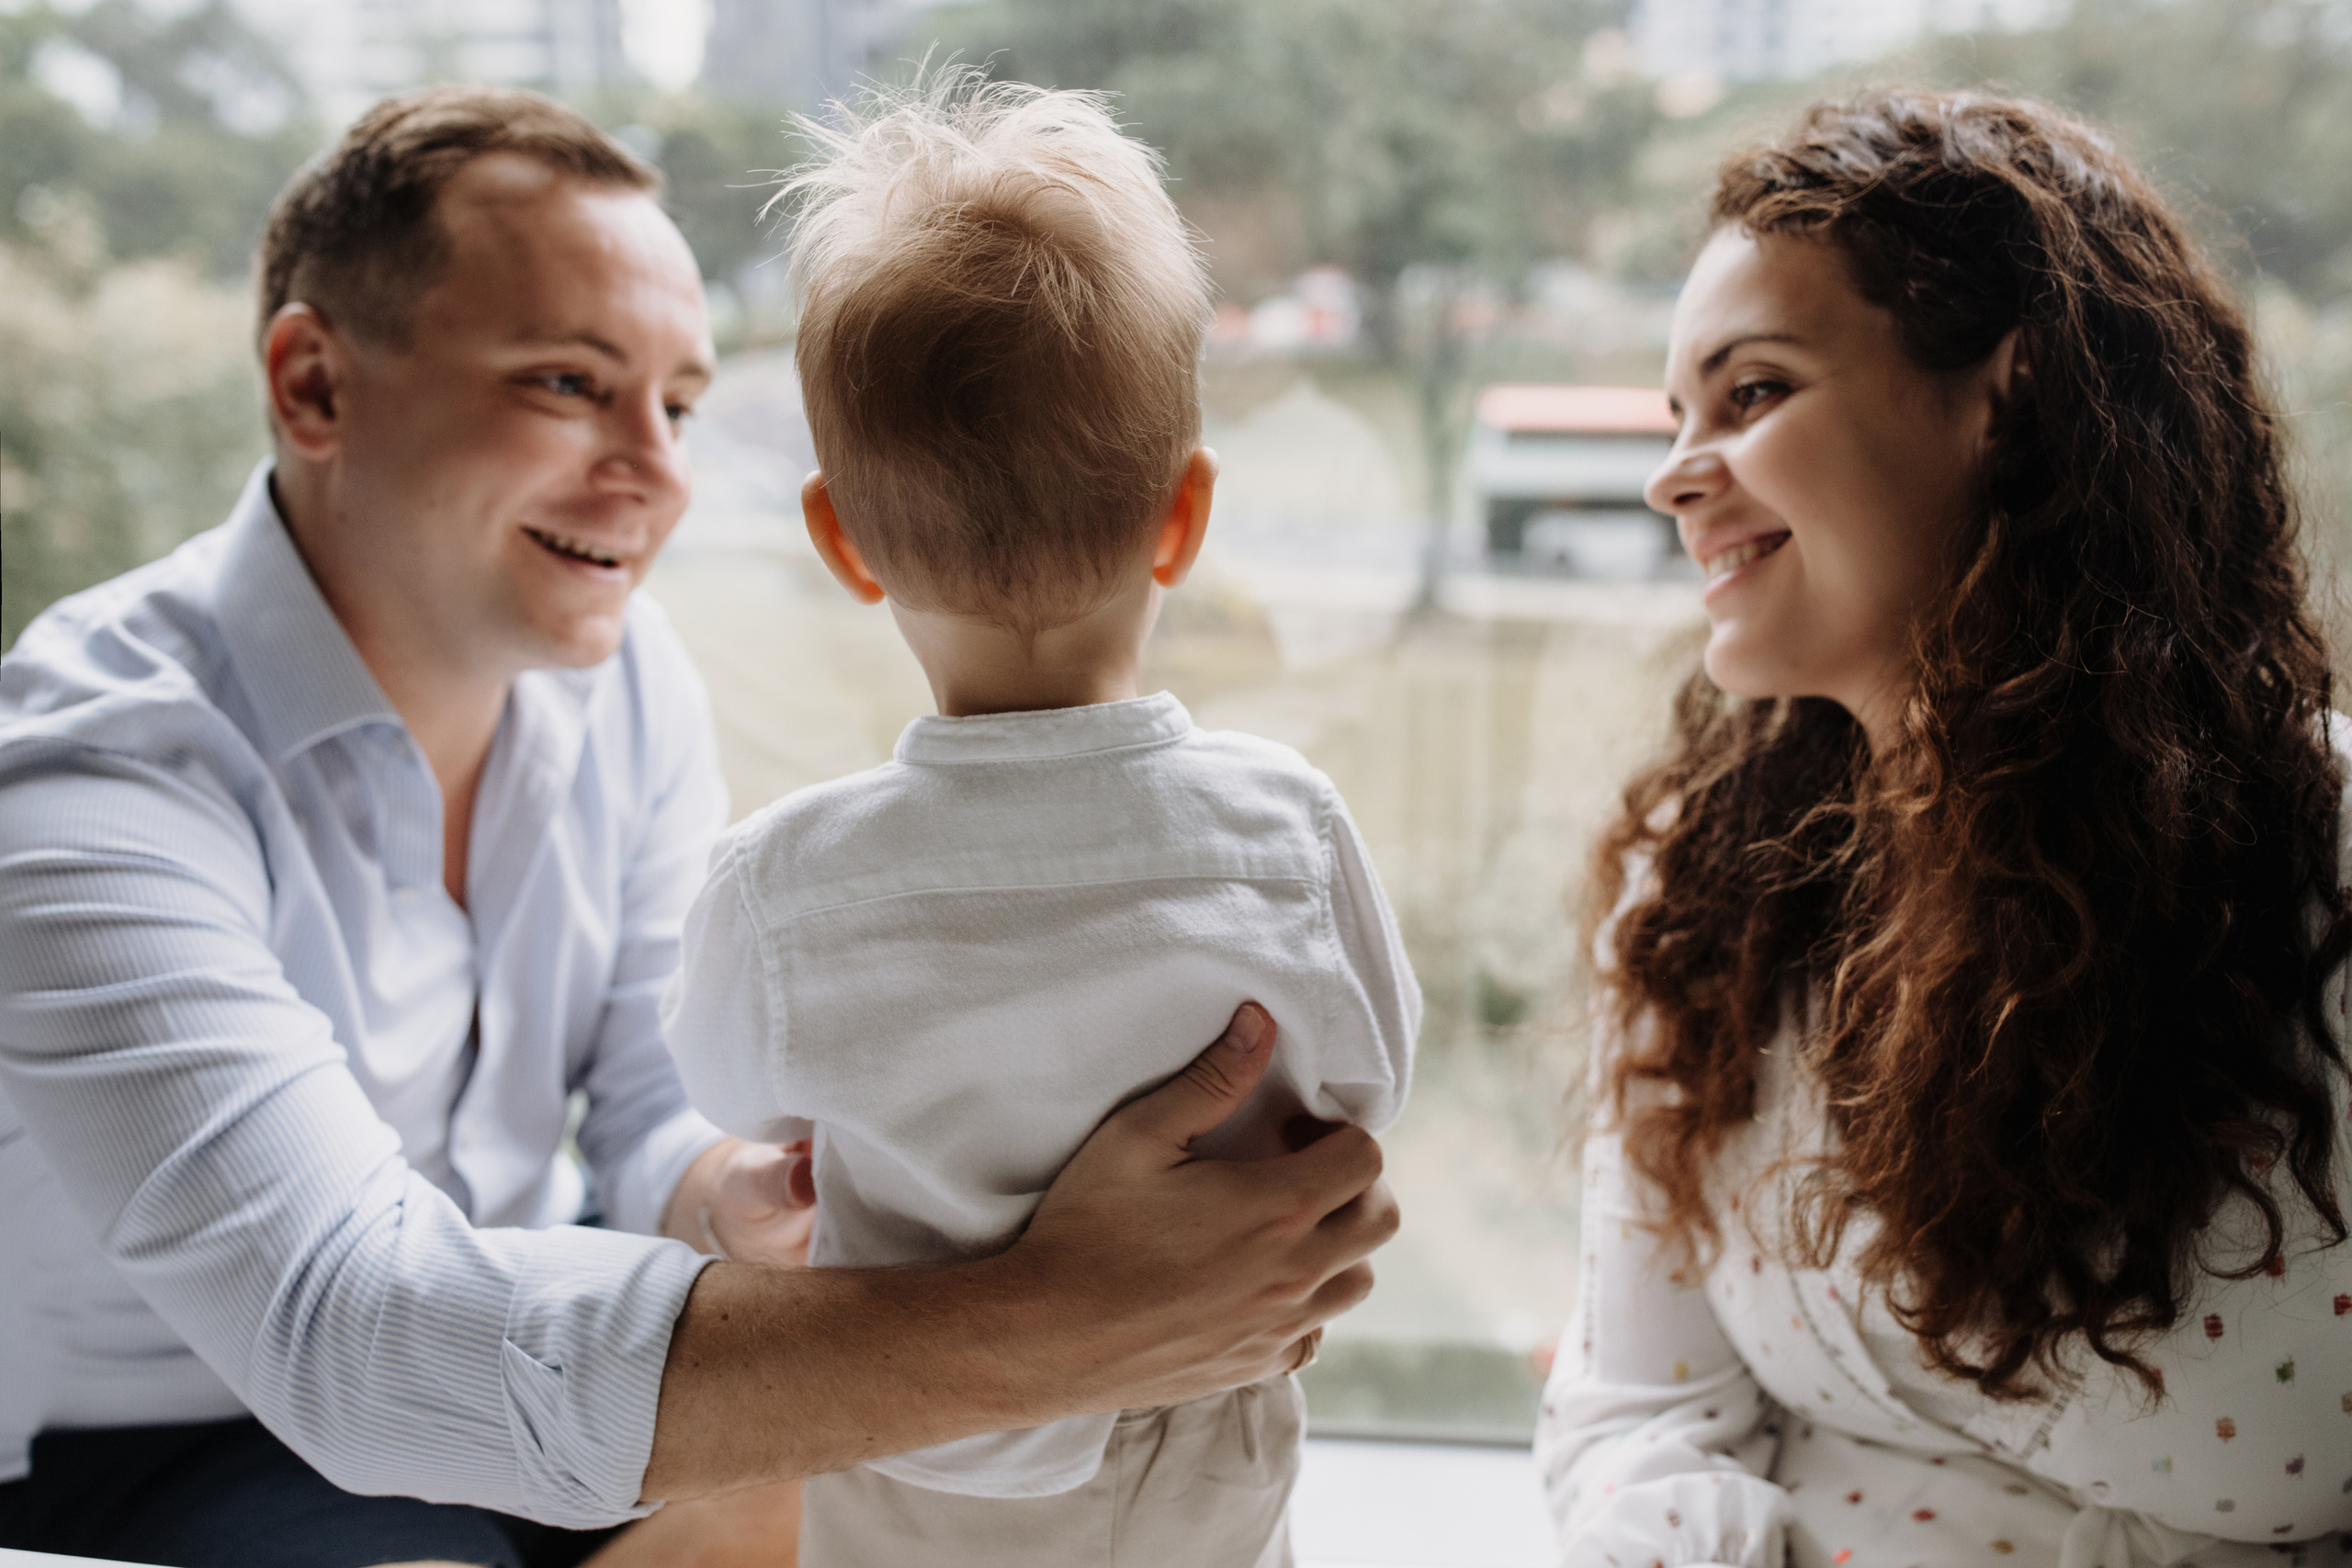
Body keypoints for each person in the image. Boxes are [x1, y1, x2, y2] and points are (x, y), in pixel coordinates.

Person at [0, 85, 1397, 1568]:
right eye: (566, 384)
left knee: (936, 1507)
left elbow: (662, 1101)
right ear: (314, 388)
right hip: (163, 1455)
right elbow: (347, 1332)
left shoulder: (622, 684)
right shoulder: (89, 780)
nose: (660, 474)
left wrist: (747, 1190)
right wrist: (1077, 1317)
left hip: (530, 1372)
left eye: (675, 404)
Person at [1535, 87, 2352, 1568]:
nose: (1672, 473)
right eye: (1678, 416)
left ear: (2007, 397)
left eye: (1753, 392)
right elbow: (1631, 1421)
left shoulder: (2329, 877)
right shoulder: (1697, 894)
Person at [659, 75, 1421, 1568]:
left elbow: (729, 1085)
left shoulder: (788, 886)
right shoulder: (1285, 827)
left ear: (845, 543)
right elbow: (1369, 1081)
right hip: (1213, 1414)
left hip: (928, 1432)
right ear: (1185, 517)